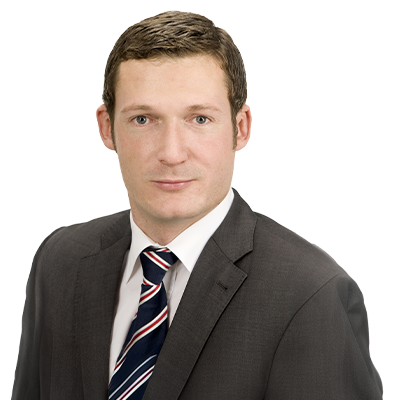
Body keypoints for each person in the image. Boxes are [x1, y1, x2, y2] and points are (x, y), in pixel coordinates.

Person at [12, 10, 383, 400]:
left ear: (240, 128)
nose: (171, 153)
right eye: (143, 119)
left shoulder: (312, 296)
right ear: (107, 128)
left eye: (200, 119)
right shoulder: (59, 262)